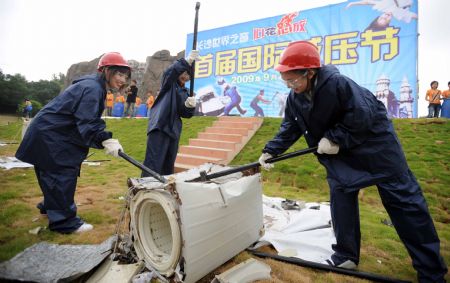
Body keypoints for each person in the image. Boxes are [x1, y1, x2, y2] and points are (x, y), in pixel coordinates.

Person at [257, 41, 447, 281]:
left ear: (311, 72)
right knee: (341, 199)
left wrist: (335, 138)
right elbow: (291, 126)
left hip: (377, 150)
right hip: (341, 155)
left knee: (406, 207)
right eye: (286, 81)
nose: (291, 86)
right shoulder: (296, 97)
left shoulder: (339, 85)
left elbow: (363, 115)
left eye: (293, 80)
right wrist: (271, 150)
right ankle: (346, 255)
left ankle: (431, 270)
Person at [15, 52, 130, 234]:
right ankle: (65, 223)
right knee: (61, 173)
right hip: (51, 135)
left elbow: (83, 119)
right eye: (119, 74)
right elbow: (88, 122)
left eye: (125, 76)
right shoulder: (93, 88)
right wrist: (105, 139)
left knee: (52, 174)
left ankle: (51, 207)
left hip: (49, 133)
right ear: (106, 71)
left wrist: (102, 138)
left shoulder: (92, 85)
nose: (122, 79)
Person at [142, 51, 199, 176]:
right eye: (183, 72)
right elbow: (170, 72)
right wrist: (185, 62)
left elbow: (185, 114)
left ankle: (163, 190)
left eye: (188, 74)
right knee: (153, 164)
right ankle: (147, 189)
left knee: (168, 165)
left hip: (174, 131)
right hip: (160, 126)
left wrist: (189, 107)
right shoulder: (169, 83)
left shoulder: (186, 92)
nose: (185, 76)